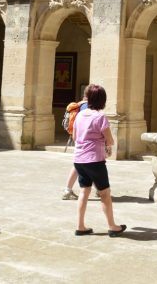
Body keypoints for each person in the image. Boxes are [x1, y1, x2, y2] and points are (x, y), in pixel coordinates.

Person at [72, 84, 126, 237]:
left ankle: (80, 226)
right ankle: (112, 226)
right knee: (104, 193)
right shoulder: (100, 117)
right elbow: (110, 140)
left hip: (79, 159)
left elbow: (75, 137)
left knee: (84, 191)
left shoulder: (79, 115)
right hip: (94, 160)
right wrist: (103, 143)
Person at [62, 88, 89, 200]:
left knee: (79, 165)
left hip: (80, 139)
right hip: (86, 141)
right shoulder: (88, 107)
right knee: (96, 165)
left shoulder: (80, 104)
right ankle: (102, 190)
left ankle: (67, 190)